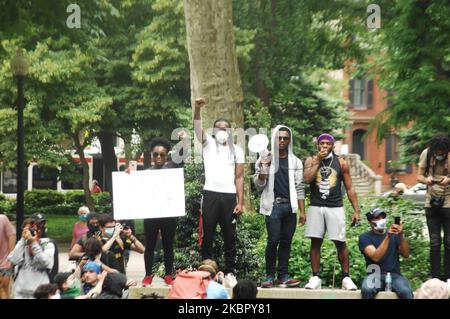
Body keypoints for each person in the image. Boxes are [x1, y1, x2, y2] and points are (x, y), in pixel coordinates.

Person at [194, 97, 244, 283]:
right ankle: (208, 272)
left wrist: (240, 202)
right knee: (208, 234)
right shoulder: (209, 144)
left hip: (229, 196)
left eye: (225, 128)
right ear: (214, 131)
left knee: (230, 236)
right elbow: (198, 129)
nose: (222, 130)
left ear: (230, 131)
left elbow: (239, 177)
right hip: (210, 195)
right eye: (219, 128)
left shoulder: (237, 150)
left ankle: (230, 272)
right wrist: (197, 109)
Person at [303, 133, 361, 290]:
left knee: (340, 242)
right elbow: (307, 179)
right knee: (316, 241)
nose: (323, 146)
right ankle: (315, 277)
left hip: (335, 206)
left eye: (327, 144)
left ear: (332, 146)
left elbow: (350, 187)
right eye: (321, 143)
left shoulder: (341, 163)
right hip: (316, 205)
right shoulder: (311, 160)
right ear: (317, 145)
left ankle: (346, 278)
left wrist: (357, 210)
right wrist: (318, 161)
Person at [253, 126, 304, 288]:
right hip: (273, 206)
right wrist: (264, 168)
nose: (282, 141)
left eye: (285, 138)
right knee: (273, 240)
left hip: (290, 207)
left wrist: (302, 211)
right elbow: (259, 185)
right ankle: (269, 276)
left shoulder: (295, 161)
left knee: (286, 242)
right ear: (274, 138)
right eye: (279, 138)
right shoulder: (264, 159)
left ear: (289, 140)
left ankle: (283, 276)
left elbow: (299, 186)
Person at [142, 132, 189, 287]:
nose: (159, 156)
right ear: (152, 154)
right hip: (151, 214)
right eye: (156, 154)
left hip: (169, 213)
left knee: (168, 245)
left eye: (162, 154)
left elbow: (183, 155)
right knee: (150, 246)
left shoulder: (173, 166)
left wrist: (184, 140)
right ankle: (148, 275)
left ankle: (168, 275)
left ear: (166, 154)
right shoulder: (146, 173)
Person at [417, 134, 450, 282]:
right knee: (434, 242)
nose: (439, 155)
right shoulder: (427, 153)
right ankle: (435, 277)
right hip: (431, 203)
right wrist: (426, 180)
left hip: (449, 204)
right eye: (437, 152)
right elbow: (419, 176)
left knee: (449, 241)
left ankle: (448, 276)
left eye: (442, 153)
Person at [359, 208, 413, 299]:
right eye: (377, 218)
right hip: (374, 275)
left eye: (382, 217)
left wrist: (401, 235)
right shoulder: (365, 237)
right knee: (367, 290)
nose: (381, 220)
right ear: (370, 222)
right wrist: (388, 237)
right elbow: (375, 257)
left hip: (394, 275)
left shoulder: (395, 235)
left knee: (405, 292)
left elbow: (406, 254)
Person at [8, 218, 55, 299]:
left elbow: (44, 262)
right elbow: (13, 260)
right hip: (20, 293)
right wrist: (23, 240)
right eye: (29, 229)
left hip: (40, 293)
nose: (31, 232)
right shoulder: (21, 244)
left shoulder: (47, 244)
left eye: (34, 229)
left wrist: (33, 243)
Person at [0, 214, 16, 299]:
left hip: (4, 263)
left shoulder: (2, 219)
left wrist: (10, 257)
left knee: (4, 287)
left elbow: (12, 235)